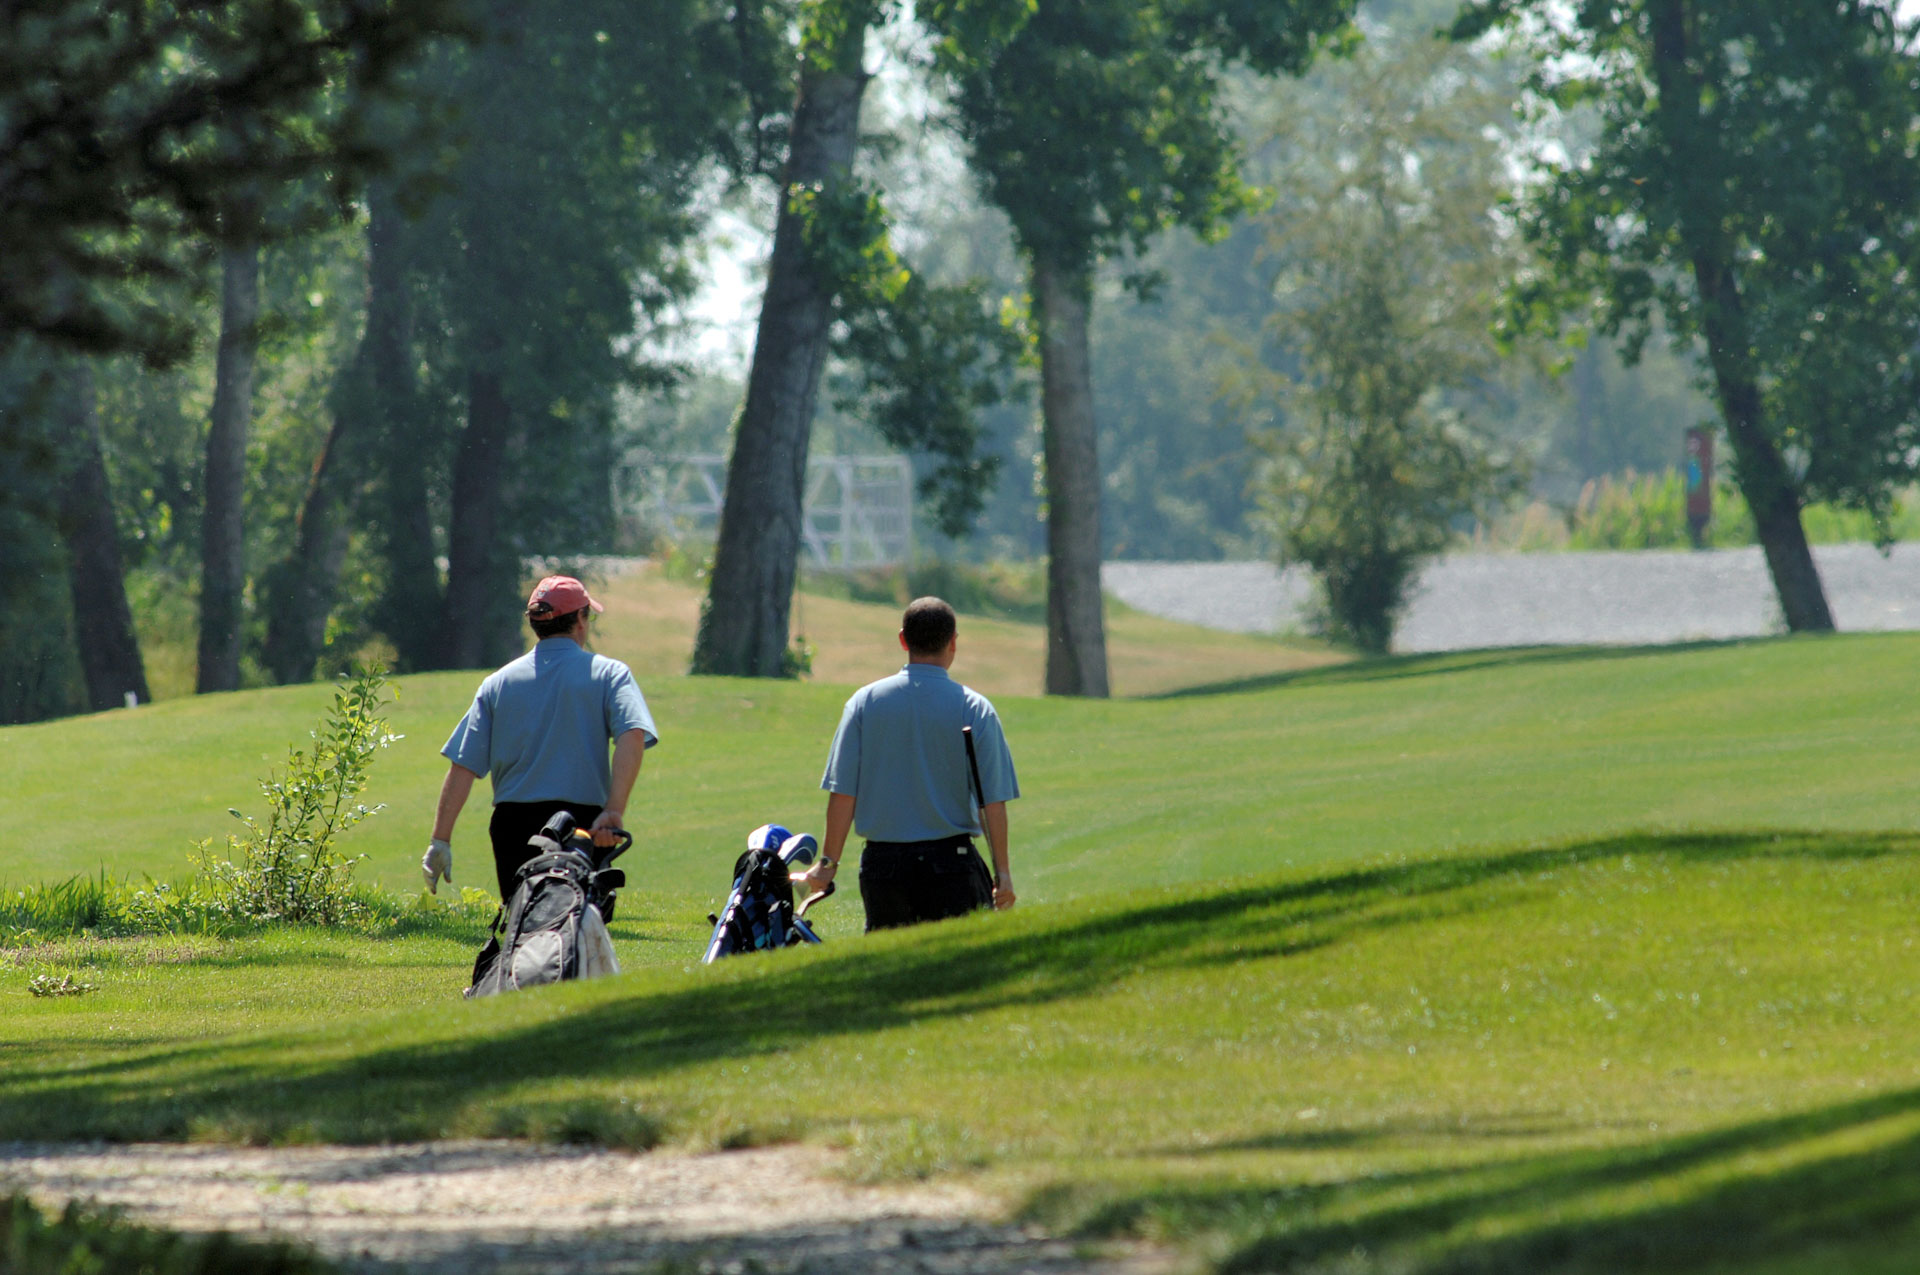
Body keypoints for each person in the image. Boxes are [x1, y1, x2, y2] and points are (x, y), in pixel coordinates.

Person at [422, 574, 657, 901]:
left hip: (514, 826)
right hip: (585, 825)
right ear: (579, 620)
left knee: (522, 925)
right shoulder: (610, 674)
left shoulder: (497, 683)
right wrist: (614, 811)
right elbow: (632, 734)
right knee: (577, 927)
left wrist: (440, 841)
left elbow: (463, 765)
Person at [799, 596, 1018, 930]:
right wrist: (1002, 873)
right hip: (953, 866)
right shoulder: (975, 708)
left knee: (889, 970)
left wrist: (828, 863)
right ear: (953, 642)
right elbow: (992, 801)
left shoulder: (865, 703)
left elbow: (843, 792)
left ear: (903, 639)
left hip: (884, 866)